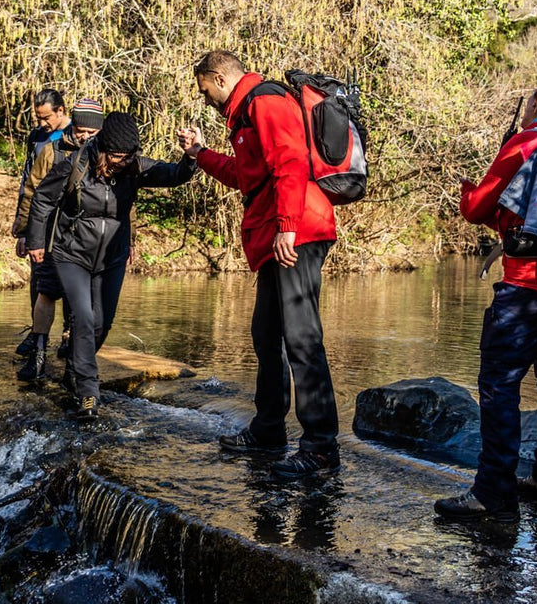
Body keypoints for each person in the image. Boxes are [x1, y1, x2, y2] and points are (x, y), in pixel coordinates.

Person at [434, 72, 537, 522]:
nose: (527, 105)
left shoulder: (530, 141)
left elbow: (477, 209)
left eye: (530, 98)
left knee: (499, 383)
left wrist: (468, 189)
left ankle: (493, 493)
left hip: (529, 284)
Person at [180, 50, 341, 479]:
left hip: (297, 230)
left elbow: (291, 162)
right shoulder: (245, 114)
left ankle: (321, 449)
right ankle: (269, 429)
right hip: (279, 232)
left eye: (205, 90)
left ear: (219, 78)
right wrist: (199, 153)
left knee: (302, 339)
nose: (205, 99)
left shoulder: (265, 102)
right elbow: (245, 176)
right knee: (266, 334)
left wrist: (287, 226)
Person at [26, 112, 196, 419]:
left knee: (101, 323)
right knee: (83, 317)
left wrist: (191, 156)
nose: (122, 162)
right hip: (72, 253)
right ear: (103, 149)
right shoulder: (75, 165)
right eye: (117, 156)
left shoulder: (134, 167)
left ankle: (75, 370)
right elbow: (42, 199)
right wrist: (36, 241)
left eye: (128, 156)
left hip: (112, 257)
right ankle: (88, 393)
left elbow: (174, 175)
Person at [13, 98, 104, 382]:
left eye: (91, 133)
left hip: (88, 240)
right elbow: (31, 193)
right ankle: (38, 354)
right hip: (52, 236)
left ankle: (73, 357)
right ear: (72, 125)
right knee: (46, 292)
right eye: (80, 131)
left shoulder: (107, 153)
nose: (85, 137)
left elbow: (122, 199)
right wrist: (26, 233)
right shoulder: (52, 151)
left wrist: (130, 239)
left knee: (83, 301)